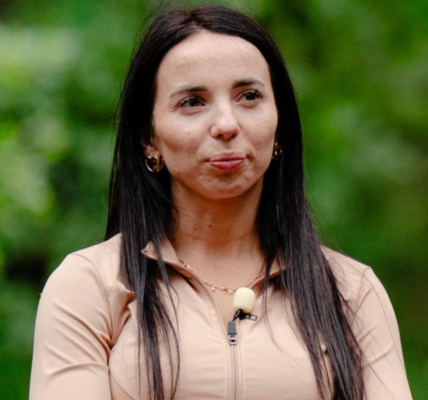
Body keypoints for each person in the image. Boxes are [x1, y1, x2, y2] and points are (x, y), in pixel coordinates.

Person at [29, 4, 412, 400]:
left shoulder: (350, 293)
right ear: (149, 138)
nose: (227, 125)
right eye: (192, 102)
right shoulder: (92, 286)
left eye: (249, 96)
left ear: (279, 123)